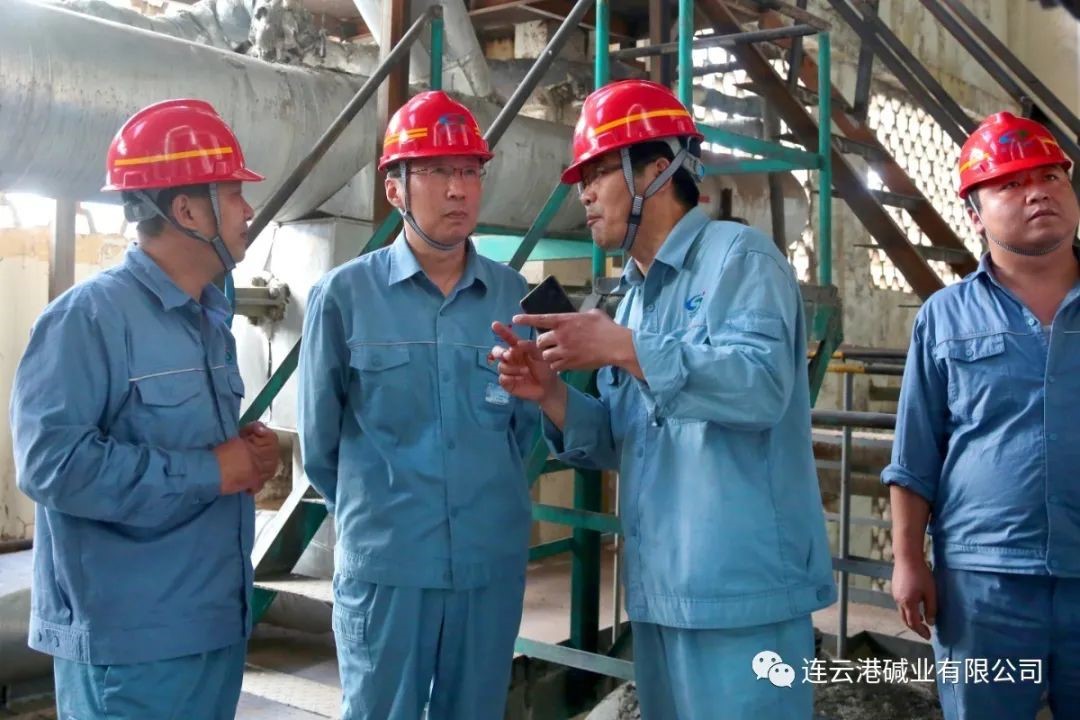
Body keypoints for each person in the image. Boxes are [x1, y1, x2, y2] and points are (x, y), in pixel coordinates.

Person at [490, 79, 836, 719]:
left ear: (657, 169)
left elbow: (761, 387)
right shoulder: (635, 300)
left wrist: (627, 348)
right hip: (658, 594)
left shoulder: (741, 259)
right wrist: (552, 395)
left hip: (742, 598)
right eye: (581, 178)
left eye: (598, 172)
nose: (584, 193)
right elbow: (624, 440)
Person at [10, 98, 279, 719]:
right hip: (130, 647)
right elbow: (51, 465)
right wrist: (212, 470)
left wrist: (243, 454)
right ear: (186, 211)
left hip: (210, 625)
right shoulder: (88, 318)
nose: (248, 210)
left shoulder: (208, 315)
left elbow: (181, 441)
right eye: (233, 193)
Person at [297, 90, 538, 720]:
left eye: (470, 171)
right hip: (389, 570)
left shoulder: (514, 299)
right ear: (395, 189)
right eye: (436, 171)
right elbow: (320, 447)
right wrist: (384, 520)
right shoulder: (343, 296)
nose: (458, 189)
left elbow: (527, 431)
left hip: (487, 566)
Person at [883, 111, 1080, 719]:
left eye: (1050, 176)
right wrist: (908, 559)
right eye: (1011, 184)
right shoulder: (944, 317)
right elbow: (915, 454)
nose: (1038, 192)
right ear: (974, 213)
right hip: (983, 586)